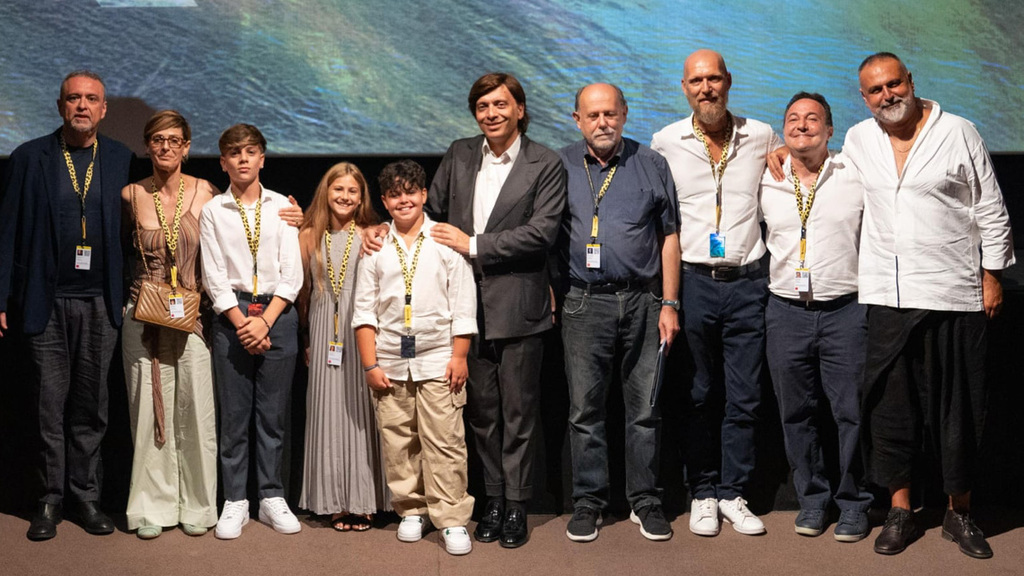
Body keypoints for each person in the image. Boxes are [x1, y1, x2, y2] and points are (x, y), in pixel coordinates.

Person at [845, 52, 1015, 559]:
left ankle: (959, 513)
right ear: (864, 98)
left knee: (958, 411)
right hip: (888, 296)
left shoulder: (958, 131)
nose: (887, 95)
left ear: (911, 81)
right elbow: (826, 177)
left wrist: (992, 275)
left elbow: (991, 207)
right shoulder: (859, 139)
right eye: (876, 90)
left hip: (952, 293)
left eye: (894, 84)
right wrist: (784, 151)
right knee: (891, 412)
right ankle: (900, 511)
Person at [425, 72, 567, 548]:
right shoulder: (460, 153)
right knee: (483, 414)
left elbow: (542, 232)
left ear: (520, 110)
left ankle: (518, 503)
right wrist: (384, 230)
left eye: (501, 104)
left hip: (519, 306)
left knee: (519, 413)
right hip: (464, 307)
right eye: (483, 106)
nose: (491, 113)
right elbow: (431, 212)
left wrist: (473, 244)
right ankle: (493, 498)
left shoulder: (545, 162)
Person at [651, 49, 779, 537]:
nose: (706, 88)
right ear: (684, 88)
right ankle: (702, 491)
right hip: (694, 282)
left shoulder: (762, 135)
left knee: (745, 396)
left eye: (714, 79)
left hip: (749, 283)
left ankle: (733, 492)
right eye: (696, 81)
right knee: (698, 394)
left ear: (729, 81)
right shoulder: (666, 142)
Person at [0, 71, 132, 541]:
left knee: (91, 407)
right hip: (45, 300)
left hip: (100, 301)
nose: (82, 106)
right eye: (73, 98)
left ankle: (87, 496)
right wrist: (0, 296)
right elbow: (7, 230)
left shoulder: (120, 157)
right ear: (60, 106)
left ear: (103, 109)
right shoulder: (28, 156)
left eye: (91, 99)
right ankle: (49, 499)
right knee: (47, 405)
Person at [557, 83, 680, 542]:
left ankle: (645, 500)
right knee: (584, 410)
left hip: (645, 301)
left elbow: (669, 236)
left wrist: (670, 302)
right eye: (592, 115)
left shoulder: (651, 163)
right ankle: (589, 502)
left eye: (610, 113)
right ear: (577, 120)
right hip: (583, 301)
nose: (602, 123)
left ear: (625, 114)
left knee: (644, 409)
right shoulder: (559, 165)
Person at [759, 93, 872, 542]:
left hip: (846, 309)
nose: (801, 125)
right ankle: (811, 499)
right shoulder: (765, 176)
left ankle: (854, 503)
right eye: (793, 119)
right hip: (785, 311)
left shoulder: (854, 172)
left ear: (830, 130)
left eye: (812, 119)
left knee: (851, 413)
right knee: (795, 413)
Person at [353, 160, 478, 556]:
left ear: (424, 195)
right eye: (394, 195)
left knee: (445, 441)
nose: (403, 200)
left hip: (439, 358)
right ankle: (412, 509)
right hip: (390, 360)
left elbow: (463, 305)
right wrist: (370, 364)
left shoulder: (444, 241)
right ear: (385, 201)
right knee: (398, 440)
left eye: (410, 192)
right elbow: (363, 312)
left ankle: (451, 517)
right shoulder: (375, 247)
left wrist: (460, 356)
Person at [199, 124, 304, 540]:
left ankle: (272, 495)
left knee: (273, 416)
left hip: (277, 313)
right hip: (233, 317)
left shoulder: (282, 207)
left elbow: (292, 275)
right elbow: (213, 276)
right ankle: (235, 499)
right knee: (235, 415)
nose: (243, 159)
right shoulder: (213, 211)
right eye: (234, 153)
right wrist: (244, 323)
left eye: (250, 151)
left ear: (263, 158)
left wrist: (265, 320)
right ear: (223, 162)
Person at [120, 110, 219, 539]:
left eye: (174, 140)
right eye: (157, 140)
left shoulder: (207, 192)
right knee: (146, 410)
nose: (165, 147)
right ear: (147, 146)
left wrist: (291, 214)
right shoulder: (130, 195)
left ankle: (197, 504)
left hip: (191, 314)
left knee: (195, 408)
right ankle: (150, 507)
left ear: (186, 147)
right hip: (143, 312)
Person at [297, 162, 389, 531]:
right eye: (339, 189)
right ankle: (334, 500)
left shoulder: (372, 233)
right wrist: (305, 338)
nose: (345, 197)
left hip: (361, 332)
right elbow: (303, 294)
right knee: (328, 412)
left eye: (353, 191)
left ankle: (363, 500)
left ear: (362, 196)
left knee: (360, 413)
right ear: (326, 191)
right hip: (323, 332)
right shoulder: (308, 235)